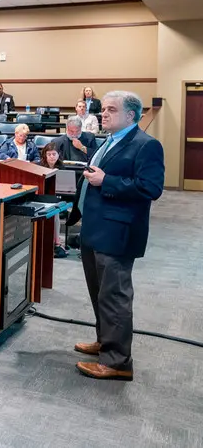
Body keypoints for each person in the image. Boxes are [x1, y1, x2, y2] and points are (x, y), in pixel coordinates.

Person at [74, 91, 163, 381]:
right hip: (96, 228)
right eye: (103, 109)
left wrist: (106, 180)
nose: (104, 114)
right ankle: (106, 343)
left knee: (114, 296)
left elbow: (151, 188)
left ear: (130, 115)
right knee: (100, 292)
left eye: (111, 109)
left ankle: (117, 362)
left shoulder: (146, 145)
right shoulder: (109, 140)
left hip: (118, 233)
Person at [39, 141, 68, 258]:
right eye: (49, 154)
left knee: (55, 212)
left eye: (54, 154)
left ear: (58, 155)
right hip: (42, 198)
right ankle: (54, 242)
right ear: (45, 155)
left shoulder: (62, 167)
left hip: (56, 198)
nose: (52, 157)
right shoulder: (39, 167)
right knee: (54, 211)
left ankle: (56, 242)